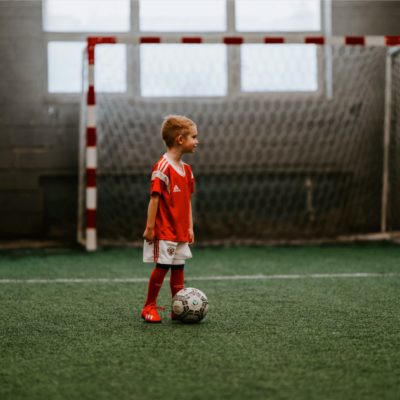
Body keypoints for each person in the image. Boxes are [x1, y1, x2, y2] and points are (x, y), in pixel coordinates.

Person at [141, 115, 199, 323]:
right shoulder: (162, 167)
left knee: (179, 269)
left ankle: (178, 307)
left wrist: (190, 227)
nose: (197, 141)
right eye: (194, 137)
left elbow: (187, 202)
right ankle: (149, 306)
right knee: (162, 267)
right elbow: (154, 200)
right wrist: (150, 228)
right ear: (180, 139)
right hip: (165, 229)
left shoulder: (188, 171)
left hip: (180, 230)